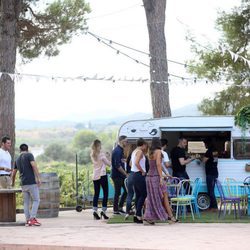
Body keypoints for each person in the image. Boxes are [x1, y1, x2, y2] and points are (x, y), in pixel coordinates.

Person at [143, 138, 177, 225]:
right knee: (164, 195)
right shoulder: (158, 151)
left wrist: (166, 173)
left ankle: (148, 218)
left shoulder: (150, 152)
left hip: (149, 177)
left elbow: (155, 165)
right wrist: (161, 177)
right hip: (156, 177)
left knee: (151, 198)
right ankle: (170, 217)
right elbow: (158, 164)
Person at [12, 144, 42, 226]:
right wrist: (38, 177)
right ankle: (32, 218)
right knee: (36, 200)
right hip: (31, 182)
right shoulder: (29, 155)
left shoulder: (17, 159)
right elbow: (34, 166)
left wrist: (12, 183)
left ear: (20, 150)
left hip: (23, 183)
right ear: (27, 149)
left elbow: (14, 173)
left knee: (26, 202)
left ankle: (28, 220)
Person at [90, 139, 111, 220]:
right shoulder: (102, 155)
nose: (101, 147)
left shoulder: (92, 154)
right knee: (105, 193)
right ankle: (103, 211)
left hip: (95, 176)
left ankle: (95, 212)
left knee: (96, 194)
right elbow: (109, 164)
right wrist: (108, 156)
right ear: (98, 146)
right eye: (100, 145)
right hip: (102, 175)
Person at [130, 138, 148, 223]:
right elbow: (137, 163)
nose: (146, 147)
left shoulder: (134, 151)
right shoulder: (140, 152)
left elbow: (131, 163)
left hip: (133, 174)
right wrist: (142, 171)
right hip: (139, 174)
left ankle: (136, 216)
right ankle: (138, 214)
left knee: (138, 195)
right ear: (143, 144)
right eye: (145, 145)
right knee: (144, 194)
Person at [111, 135, 128, 214]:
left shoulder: (120, 150)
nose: (127, 143)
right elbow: (117, 165)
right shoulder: (117, 150)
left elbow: (119, 161)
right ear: (121, 141)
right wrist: (126, 174)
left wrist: (124, 160)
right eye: (126, 141)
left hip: (120, 175)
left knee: (126, 191)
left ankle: (120, 207)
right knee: (118, 192)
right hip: (117, 175)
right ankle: (115, 210)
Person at [202, 138, 219, 211]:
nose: (204, 145)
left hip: (210, 173)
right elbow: (214, 160)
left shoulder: (208, 151)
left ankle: (214, 207)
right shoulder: (215, 151)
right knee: (211, 190)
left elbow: (204, 160)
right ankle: (212, 206)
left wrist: (200, 157)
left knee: (210, 191)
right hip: (215, 172)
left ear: (207, 144)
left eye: (205, 144)